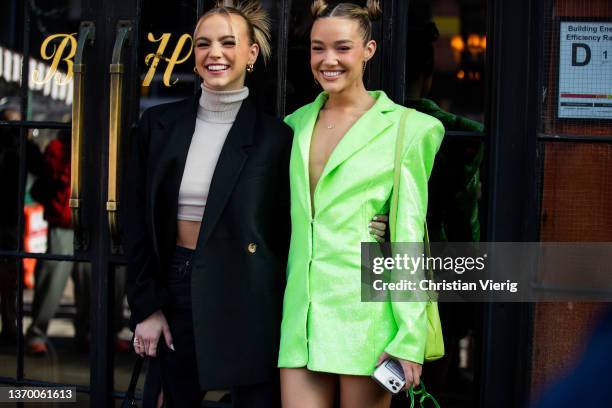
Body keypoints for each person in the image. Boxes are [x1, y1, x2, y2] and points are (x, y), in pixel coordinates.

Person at [278, 1, 444, 407]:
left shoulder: (409, 128)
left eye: (342, 48)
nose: (328, 60)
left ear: (368, 50)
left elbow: (406, 238)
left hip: (366, 316)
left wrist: (409, 335)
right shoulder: (294, 124)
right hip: (301, 317)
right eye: (318, 48)